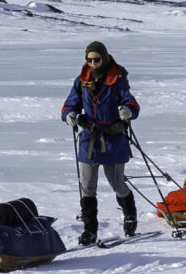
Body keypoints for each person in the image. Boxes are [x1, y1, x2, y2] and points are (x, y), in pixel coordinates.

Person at [59, 40, 139, 245]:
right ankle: (90, 230)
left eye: (96, 59)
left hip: (113, 137)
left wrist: (128, 111)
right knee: (87, 187)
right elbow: (70, 103)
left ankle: (130, 214)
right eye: (89, 59)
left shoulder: (117, 79)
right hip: (89, 138)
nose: (92, 63)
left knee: (117, 183)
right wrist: (69, 115)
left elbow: (130, 101)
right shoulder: (81, 80)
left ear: (103, 58)